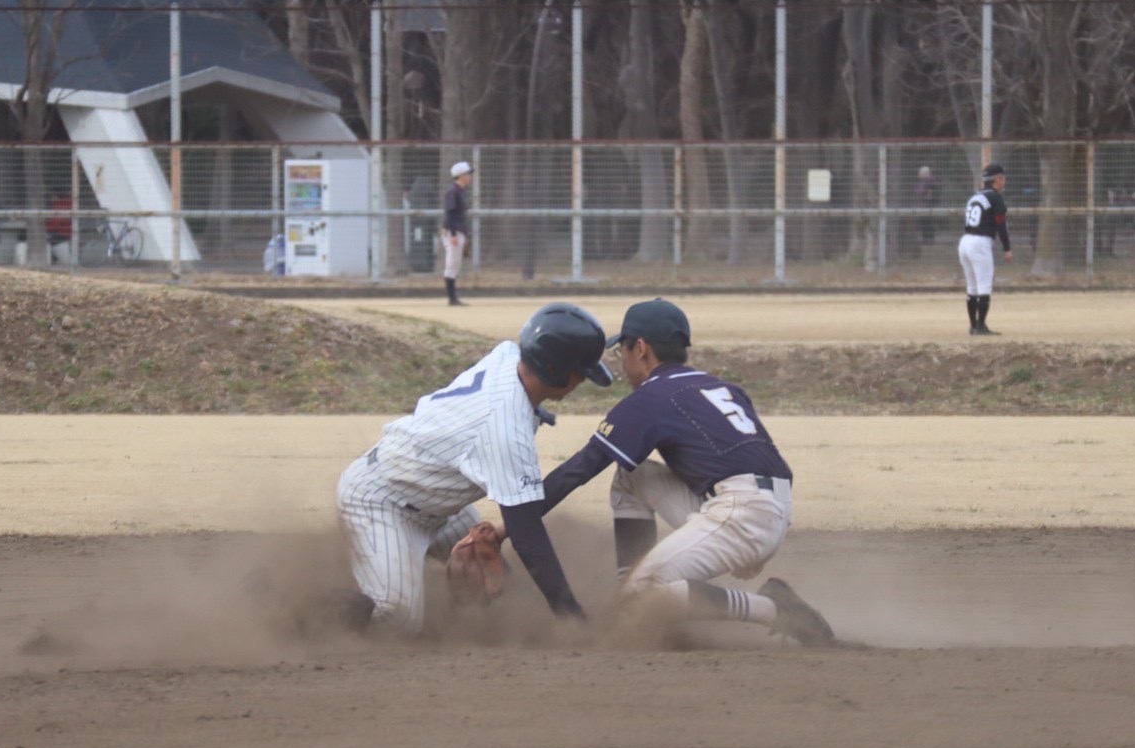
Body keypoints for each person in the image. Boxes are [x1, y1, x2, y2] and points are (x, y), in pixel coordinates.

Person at [524, 298, 835, 645]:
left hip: (741, 511)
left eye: (622, 351)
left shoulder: (652, 397)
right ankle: (628, 596)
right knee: (632, 476)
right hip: (765, 505)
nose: (622, 362)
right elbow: (772, 466)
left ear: (640, 349)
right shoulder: (722, 387)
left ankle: (774, 609)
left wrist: (511, 522)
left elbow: (579, 469)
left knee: (644, 595)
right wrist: (764, 528)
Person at [333, 302, 614, 635]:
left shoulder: (510, 355)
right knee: (398, 618)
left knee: (499, 590)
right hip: (381, 502)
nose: (584, 378)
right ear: (553, 369)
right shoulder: (503, 430)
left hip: (437, 503)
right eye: (580, 369)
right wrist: (570, 614)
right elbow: (527, 534)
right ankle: (299, 606)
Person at [959, 162, 1012, 336]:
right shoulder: (995, 197)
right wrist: (1007, 248)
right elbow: (1000, 224)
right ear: (997, 179)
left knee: (972, 287)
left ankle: (973, 325)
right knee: (984, 286)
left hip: (965, 241)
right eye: (1003, 178)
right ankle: (981, 326)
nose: (1004, 182)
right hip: (980, 243)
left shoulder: (975, 196)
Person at [442, 160, 474, 306]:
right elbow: (450, 214)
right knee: (452, 265)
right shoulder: (453, 192)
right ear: (460, 175)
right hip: (452, 232)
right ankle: (452, 298)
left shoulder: (459, 191)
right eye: (468, 174)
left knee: (455, 265)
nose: (470, 177)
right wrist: (454, 234)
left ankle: (453, 298)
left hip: (457, 232)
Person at [915, 165, 940, 244]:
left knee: (928, 222)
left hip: (927, 205)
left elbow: (929, 194)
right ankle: (926, 239)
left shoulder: (930, 182)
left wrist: (927, 200)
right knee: (925, 222)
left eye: (921, 174)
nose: (919, 175)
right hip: (923, 204)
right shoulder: (924, 181)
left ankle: (929, 239)